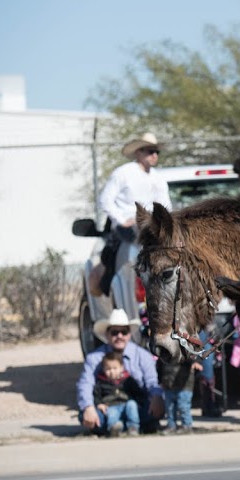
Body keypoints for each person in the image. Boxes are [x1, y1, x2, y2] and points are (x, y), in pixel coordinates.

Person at [97, 133, 172, 295]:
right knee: (124, 261)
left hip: (151, 227)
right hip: (126, 229)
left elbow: (166, 206)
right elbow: (105, 199)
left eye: (156, 152)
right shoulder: (123, 173)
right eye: (149, 151)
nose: (154, 155)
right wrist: (122, 220)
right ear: (138, 152)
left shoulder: (158, 178)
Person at [77, 308, 164, 435]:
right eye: (114, 332)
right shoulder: (94, 358)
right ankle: (128, 426)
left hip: (136, 406)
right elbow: (86, 383)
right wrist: (89, 407)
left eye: (124, 332)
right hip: (107, 407)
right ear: (107, 334)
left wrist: (156, 397)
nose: (119, 336)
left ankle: (121, 426)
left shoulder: (143, 356)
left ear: (129, 334)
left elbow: (152, 381)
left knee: (157, 408)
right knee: (85, 414)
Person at [90, 351, 145, 436]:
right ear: (103, 369)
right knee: (111, 413)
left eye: (115, 368)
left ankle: (133, 427)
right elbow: (96, 395)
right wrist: (99, 404)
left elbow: (137, 392)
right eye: (108, 369)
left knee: (132, 405)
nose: (112, 372)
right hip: (110, 405)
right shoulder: (101, 382)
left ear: (121, 367)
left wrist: (140, 401)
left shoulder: (128, 380)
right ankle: (114, 428)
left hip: (126, 404)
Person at [159, 358, 196, 434]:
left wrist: (196, 362)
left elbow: (193, 357)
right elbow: (159, 367)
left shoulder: (184, 351)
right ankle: (171, 425)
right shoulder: (164, 354)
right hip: (168, 384)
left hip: (184, 386)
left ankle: (187, 425)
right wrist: (160, 380)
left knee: (183, 407)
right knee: (169, 408)